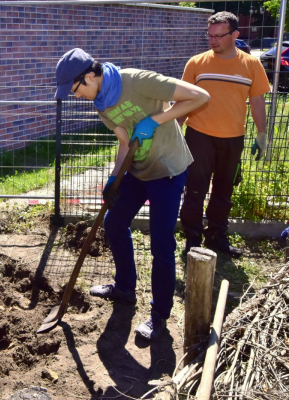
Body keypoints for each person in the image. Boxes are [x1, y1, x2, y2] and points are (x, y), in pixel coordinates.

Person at [55, 48, 209, 339]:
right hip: (138, 170)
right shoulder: (101, 102)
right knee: (113, 223)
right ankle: (125, 287)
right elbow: (125, 144)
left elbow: (201, 97)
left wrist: (156, 120)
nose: (75, 96)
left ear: (90, 75)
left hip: (168, 170)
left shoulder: (137, 81)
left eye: (74, 89)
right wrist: (114, 179)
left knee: (161, 244)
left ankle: (159, 314)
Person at [178, 11, 270, 258]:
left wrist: (262, 134)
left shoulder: (251, 65)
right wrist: (174, 131)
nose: (213, 41)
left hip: (233, 138)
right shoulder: (197, 63)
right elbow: (183, 100)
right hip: (199, 136)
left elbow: (258, 100)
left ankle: (217, 237)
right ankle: (193, 240)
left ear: (235, 35)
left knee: (223, 191)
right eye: (210, 36)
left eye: (219, 36)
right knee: (195, 189)